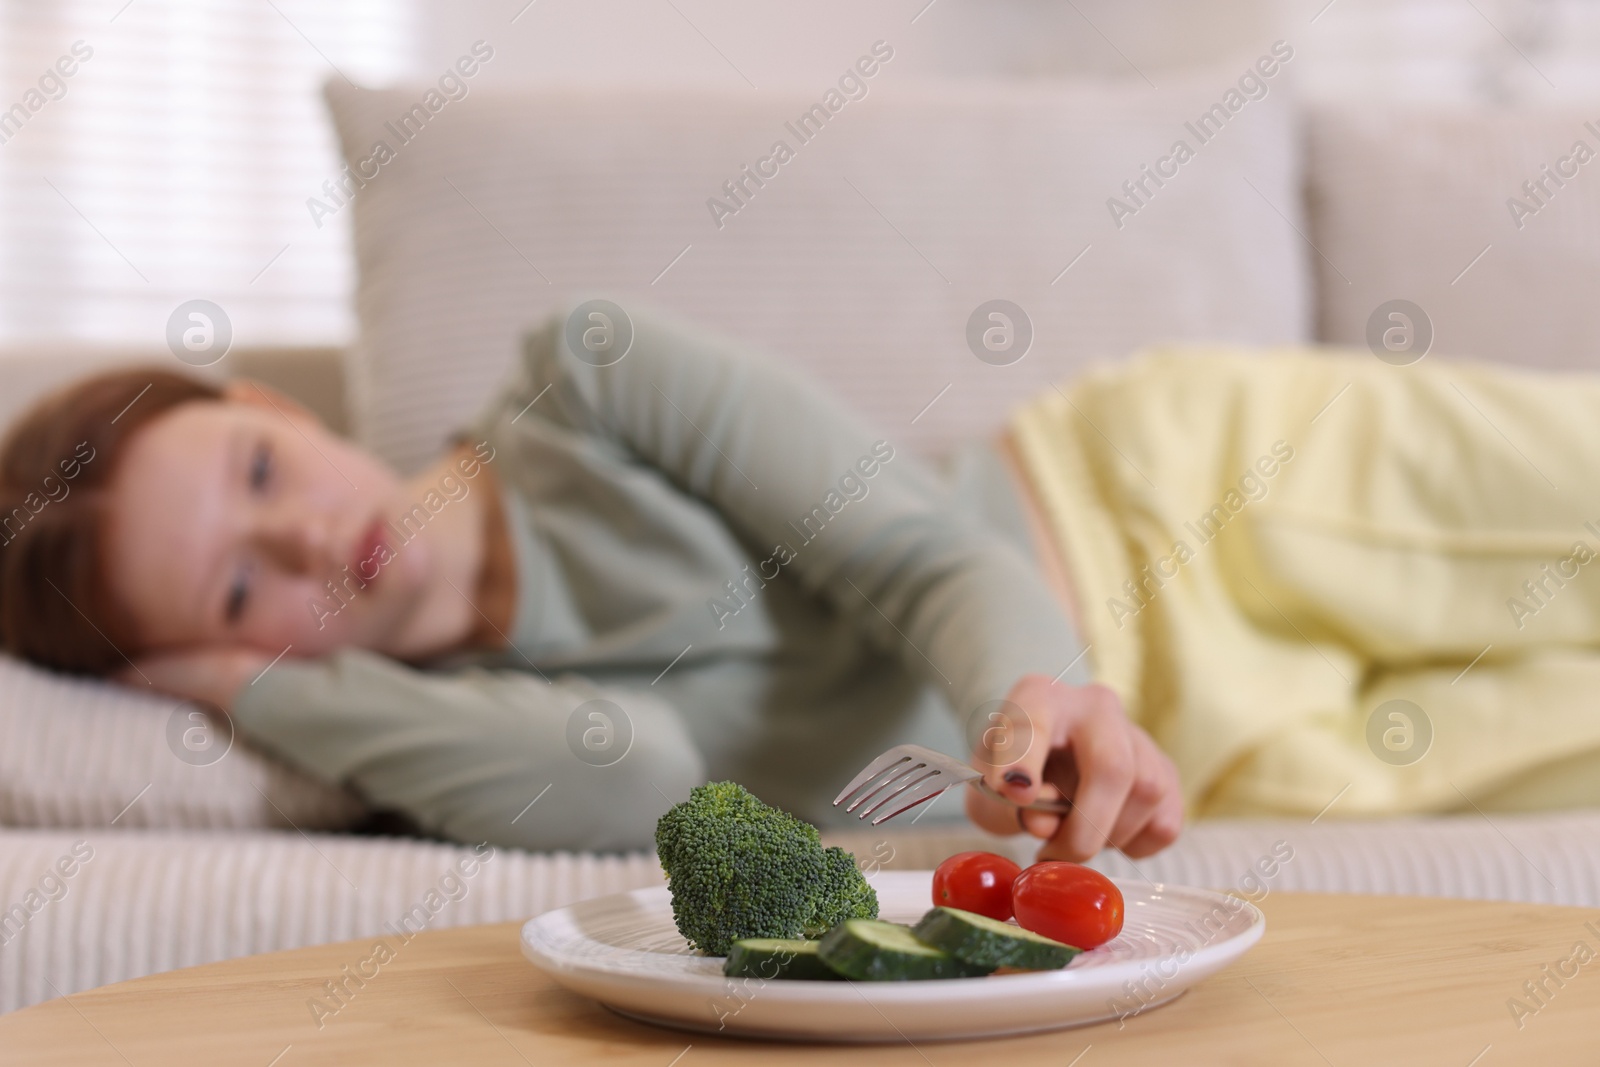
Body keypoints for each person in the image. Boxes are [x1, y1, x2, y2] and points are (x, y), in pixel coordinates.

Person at [5, 304, 1596, 856]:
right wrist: (284, 696)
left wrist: (1044, 698)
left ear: (277, 414)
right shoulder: (484, 737)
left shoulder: (594, 379)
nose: (301, 548)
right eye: (232, 598)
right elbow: (636, 771)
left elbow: (911, 552)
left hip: (1181, 498)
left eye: (260, 478)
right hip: (1210, 753)